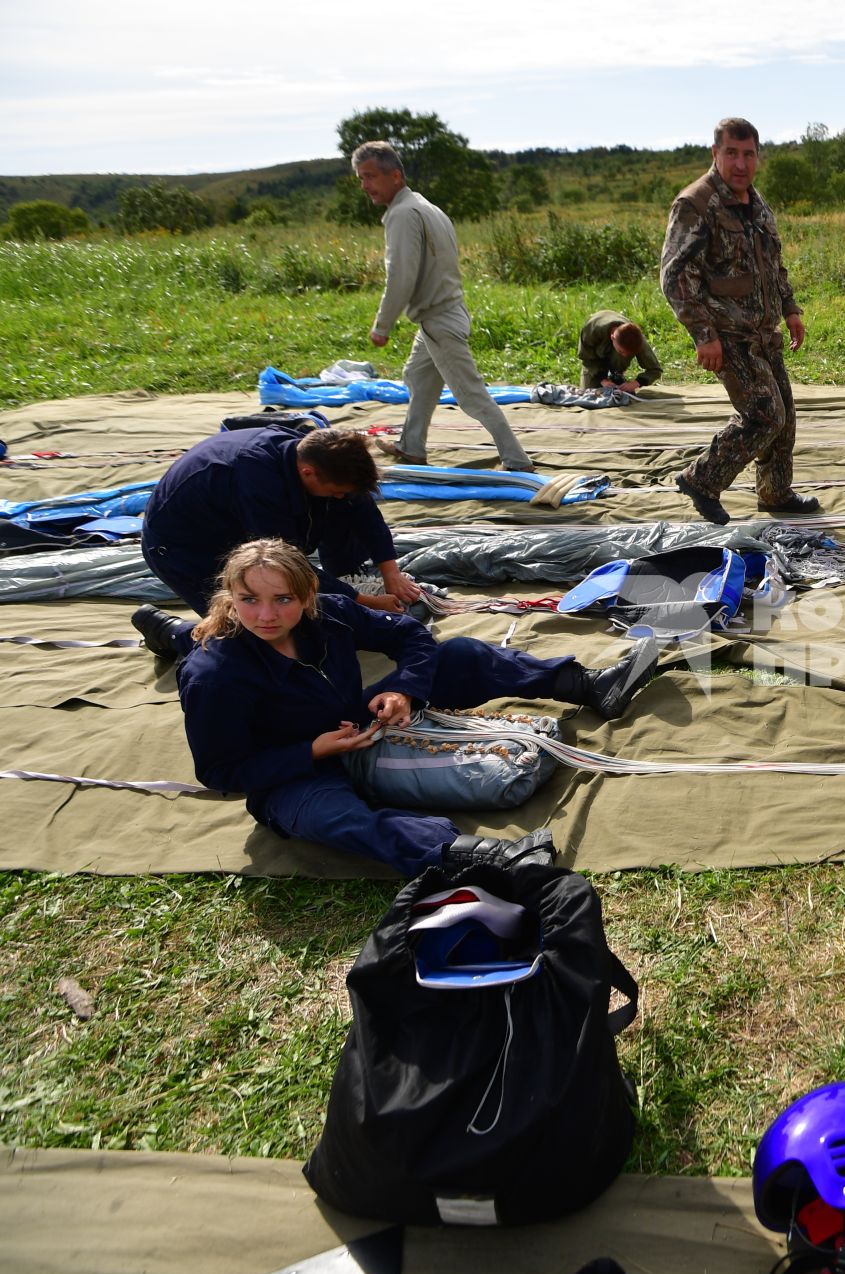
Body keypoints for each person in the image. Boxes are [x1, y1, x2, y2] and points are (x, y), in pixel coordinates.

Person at [173, 539, 659, 875]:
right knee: (333, 817)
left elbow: (409, 635)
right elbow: (219, 771)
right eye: (249, 599)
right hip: (293, 773)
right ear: (229, 599)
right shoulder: (214, 673)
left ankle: (590, 685)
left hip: (361, 722)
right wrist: (311, 752)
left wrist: (403, 689)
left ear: (308, 595)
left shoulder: (330, 614)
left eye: (283, 598)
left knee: (461, 655)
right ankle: (476, 856)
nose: (267, 614)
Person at [133, 423, 421, 660]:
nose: (340, 496)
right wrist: (364, 602)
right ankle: (171, 632)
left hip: (237, 528)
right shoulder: (256, 481)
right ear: (308, 473)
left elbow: (362, 510)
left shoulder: (317, 453)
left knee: (341, 512)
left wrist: (390, 571)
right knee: (256, 639)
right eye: (336, 491)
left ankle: (343, 581)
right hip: (185, 548)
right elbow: (284, 566)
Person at [660, 117, 817, 525]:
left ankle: (775, 493)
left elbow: (772, 266)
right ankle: (702, 479)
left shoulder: (756, 203)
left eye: (748, 154)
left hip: (763, 332)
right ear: (715, 153)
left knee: (784, 419)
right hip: (727, 335)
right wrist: (703, 335)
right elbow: (676, 277)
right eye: (731, 153)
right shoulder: (696, 204)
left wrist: (791, 309)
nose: (740, 163)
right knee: (765, 414)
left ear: (758, 158)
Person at [352, 140, 536, 473]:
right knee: (417, 377)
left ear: (395, 176)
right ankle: (412, 446)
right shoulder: (424, 205)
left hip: (439, 320)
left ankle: (517, 460)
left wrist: (382, 325)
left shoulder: (403, 213)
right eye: (360, 178)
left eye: (370, 176)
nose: (365, 185)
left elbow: (401, 276)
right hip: (440, 317)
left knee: (471, 395)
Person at [579, 310, 664, 392]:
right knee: (588, 395)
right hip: (594, 357)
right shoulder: (591, 331)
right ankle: (603, 376)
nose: (625, 356)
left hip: (616, 353)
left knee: (620, 393)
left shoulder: (637, 340)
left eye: (629, 355)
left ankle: (616, 375)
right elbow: (586, 358)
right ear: (613, 337)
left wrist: (636, 383)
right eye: (621, 352)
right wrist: (602, 380)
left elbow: (655, 370)